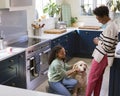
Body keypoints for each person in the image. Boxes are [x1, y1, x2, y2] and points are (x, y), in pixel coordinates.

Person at [85, 6, 119, 96]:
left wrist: (97, 41)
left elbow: (107, 47)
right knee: (98, 78)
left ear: (104, 16)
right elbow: (108, 41)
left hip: (101, 57)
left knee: (92, 78)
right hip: (103, 56)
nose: (98, 21)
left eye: (98, 18)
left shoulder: (110, 27)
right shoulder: (112, 25)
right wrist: (100, 40)